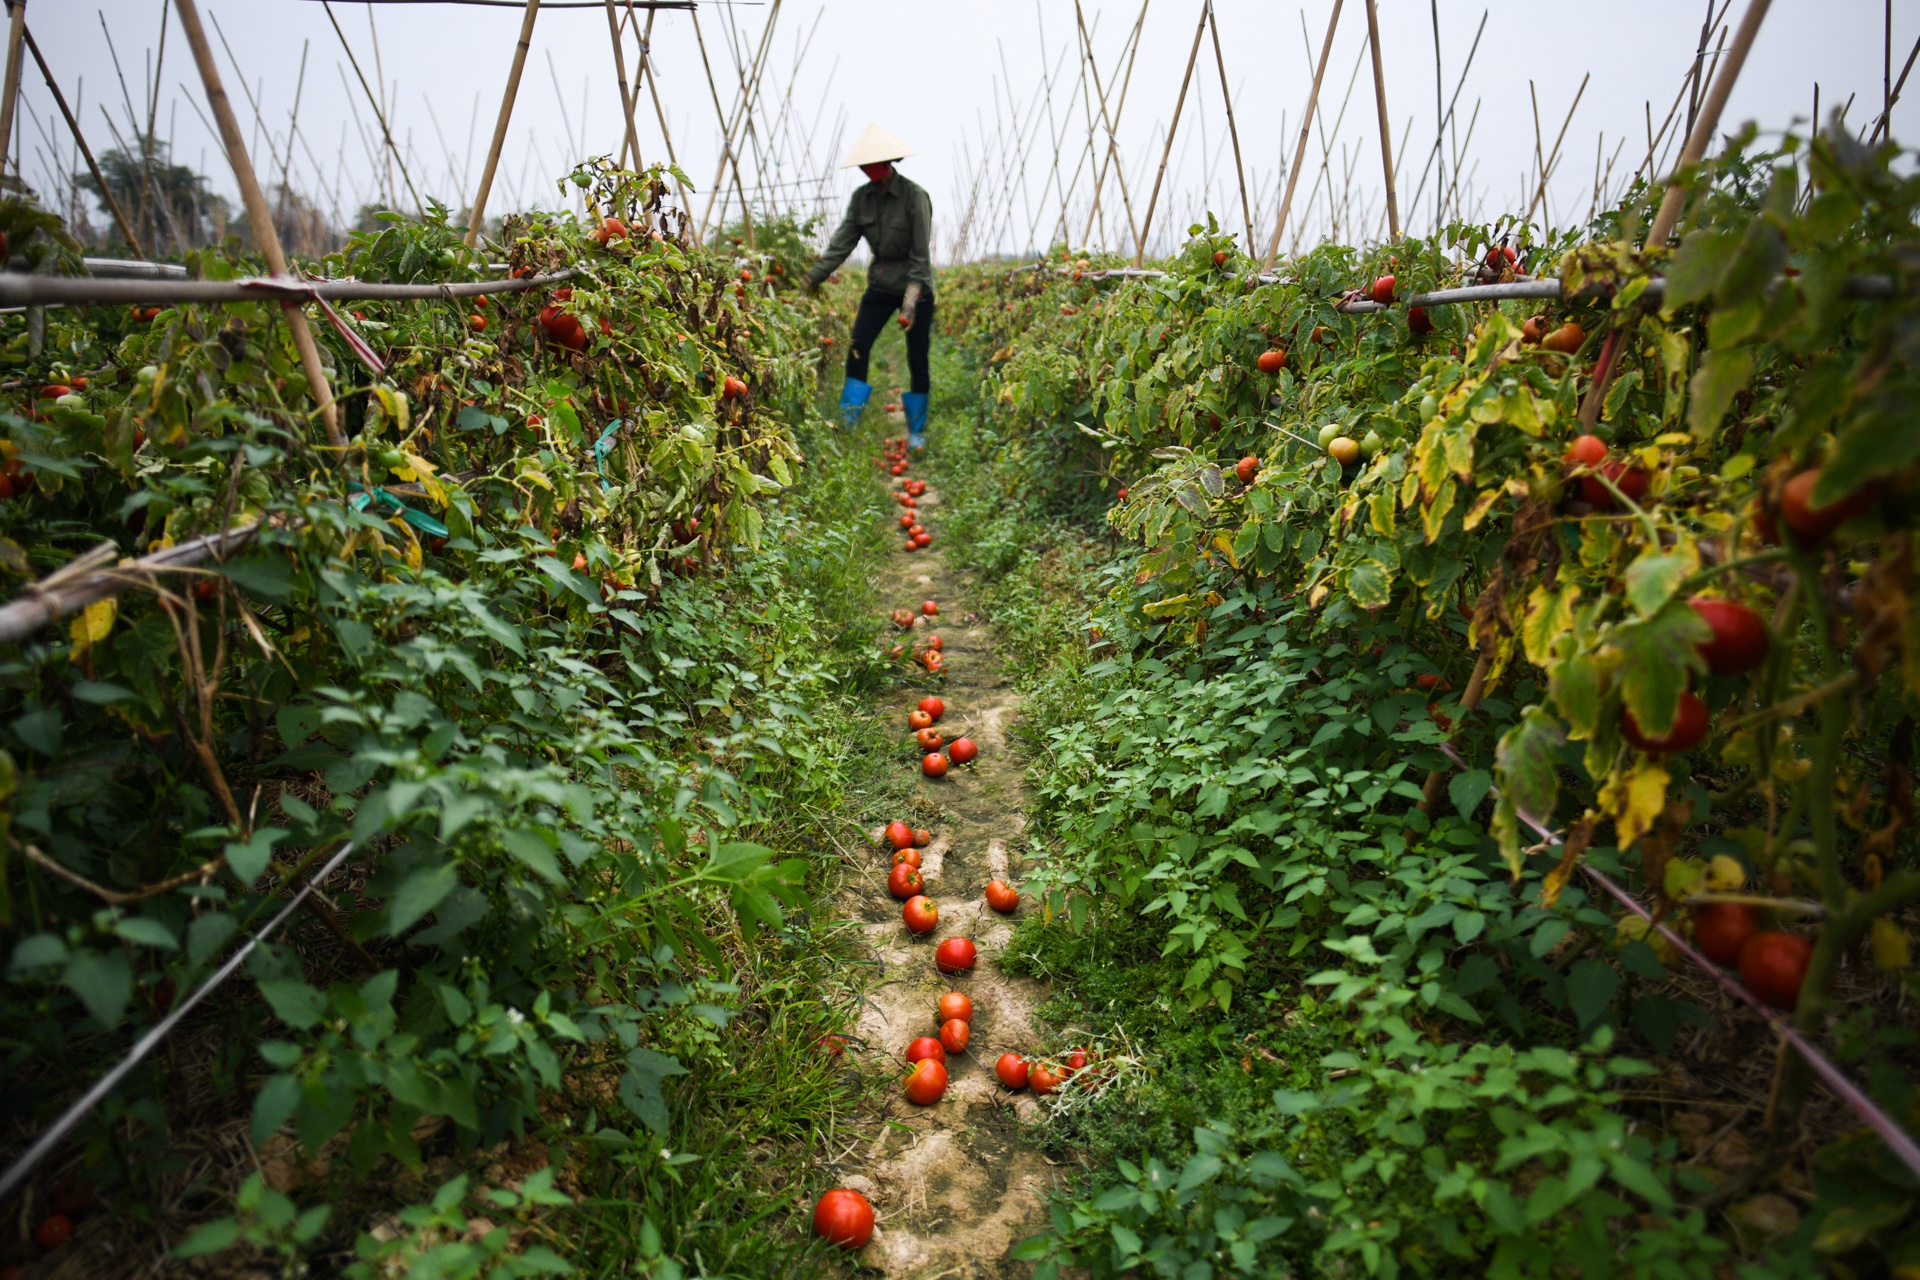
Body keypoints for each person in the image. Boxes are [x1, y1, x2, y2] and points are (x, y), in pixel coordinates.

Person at [804, 124, 935, 448]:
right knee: (858, 345)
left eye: (870, 164)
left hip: (914, 287)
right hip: (880, 284)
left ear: (887, 163)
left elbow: (921, 254)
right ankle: (849, 423)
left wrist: (911, 297)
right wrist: (812, 277)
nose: (865, 169)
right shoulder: (861, 199)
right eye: (862, 165)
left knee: (917, 357)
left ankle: (917, 431)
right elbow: (843, 243)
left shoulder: (915, 197)